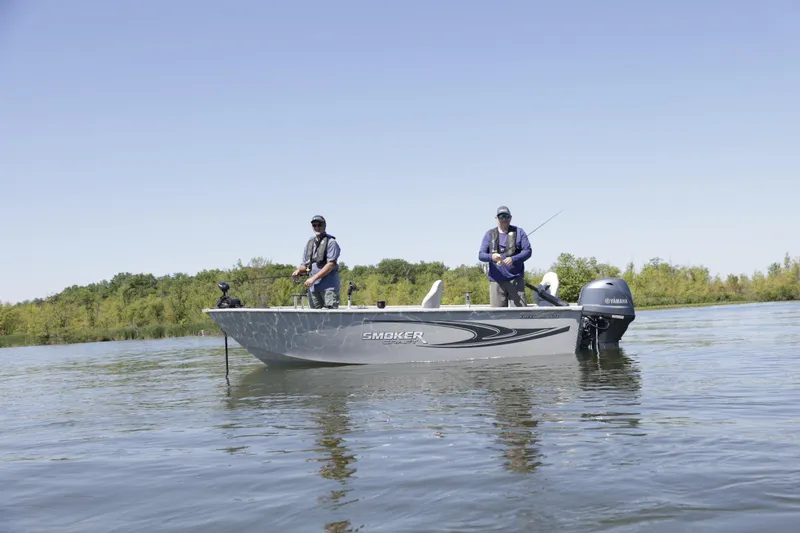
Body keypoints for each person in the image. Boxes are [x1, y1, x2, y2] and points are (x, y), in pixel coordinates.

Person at [478, 206, 532, 307]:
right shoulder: (489, 234)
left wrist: (513, 259)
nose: (504, 219)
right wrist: (492, 257)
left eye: (506, 216)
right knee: (496, 316)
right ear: (496, 219)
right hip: (496, 282)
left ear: (510, 218)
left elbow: (528, 251)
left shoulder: (519, 232)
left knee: (520, 314)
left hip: (516, 280)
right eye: (501, 216)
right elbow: (481, 255)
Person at [292, 215, 341, 309]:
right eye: (314, 225)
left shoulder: (331, 242)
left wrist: (313, 278)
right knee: (314, 319)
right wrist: (299, 270)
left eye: (319, 225)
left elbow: (330, 265)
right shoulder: (309, 242)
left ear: (324, 225)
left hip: (329, 289)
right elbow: (306, 265)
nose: (317, 227)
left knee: (330, 320)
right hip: (313, 289)